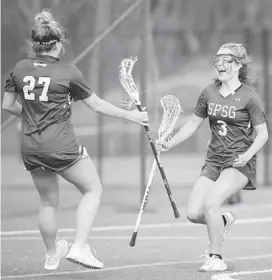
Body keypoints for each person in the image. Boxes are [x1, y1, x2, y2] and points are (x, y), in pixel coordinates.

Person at [2, 9, 148, 271]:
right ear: (57, 44)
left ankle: (51, 254)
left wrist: (35, 113)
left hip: (32, 147)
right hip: (61, 146)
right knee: (93, 189)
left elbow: (7, 105)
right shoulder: (69, 72)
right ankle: (80, 246)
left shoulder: (19, 69)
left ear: (36, 45)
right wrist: (133, 116)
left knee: (47, 202)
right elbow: (97, 106)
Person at [156, 43, 268, 272]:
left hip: (239, 164)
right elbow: (193, 124)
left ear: (238, 64)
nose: (219, 64)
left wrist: (247, 156)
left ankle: (216, 257)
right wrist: (171, 142)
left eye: (226, 59)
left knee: (212, 203)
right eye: (217, 59)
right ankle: (223, 221)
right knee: (194, 213)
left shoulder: (250, 97)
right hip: (214, 161)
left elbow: (263, 134)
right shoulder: (208, 92)